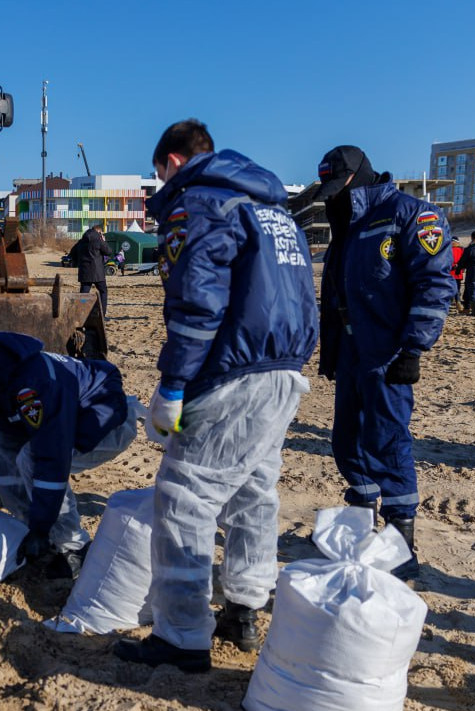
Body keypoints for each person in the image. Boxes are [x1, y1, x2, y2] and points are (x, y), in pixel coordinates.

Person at [113, 119, 317, 672]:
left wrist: (174, 385)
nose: (160, 185)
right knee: (255, 490)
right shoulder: (274, 211)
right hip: (285, 369)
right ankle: (245, 610)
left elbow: (198, 304)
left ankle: (181, 637)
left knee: (184, 496)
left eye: (159, 174)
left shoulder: (201, 205)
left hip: (231, 370)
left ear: (173, 162)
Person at [313, 144, 454, 581]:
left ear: (361, 175)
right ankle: (362, 523)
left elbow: (435, 283)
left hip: (387, 350)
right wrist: (333, 349)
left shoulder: (409, 213)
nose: (334, 193)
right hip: (353, 350)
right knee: (347, 439)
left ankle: (401, 540)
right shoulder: (347, 224)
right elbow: (336, 291)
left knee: (387, 439)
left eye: (340, 183)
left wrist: (414, 348)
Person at [0, 331, 135, 579]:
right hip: (63, 421)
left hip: (106, 418)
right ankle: (26, 526)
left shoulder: (32, 384)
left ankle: (74, 548)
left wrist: (42, 528)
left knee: (32, 459)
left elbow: (52, 461)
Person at [75, 222, 110, 316]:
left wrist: (80, 262)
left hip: (85, 271)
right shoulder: (98, 239)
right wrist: (104, 241)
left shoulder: (81, 240)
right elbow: (108, 251)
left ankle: (81, 312)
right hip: (97, 272)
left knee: (83, 294)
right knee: (103, 291)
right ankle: (102, 313)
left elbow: (73, 253)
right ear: (99, 231)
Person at [450, 236, 465, 311]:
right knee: (457, 288)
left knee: (450, 288)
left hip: (450, 271)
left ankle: (453, 301)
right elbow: (463, 260)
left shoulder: (448, 250)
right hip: (458, 271)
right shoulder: (461, 249)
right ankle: (458, 301)